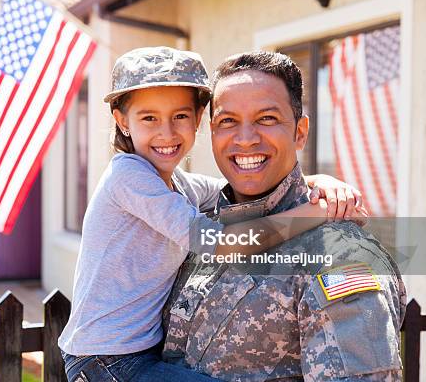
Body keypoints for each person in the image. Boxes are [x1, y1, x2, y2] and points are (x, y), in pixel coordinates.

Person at [58, 47, 367, 382]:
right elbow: (219, 243)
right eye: (149, 118)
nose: (167, 132)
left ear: (198, 118)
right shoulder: (127, 177)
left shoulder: (179, 185)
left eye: (180, 116)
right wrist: (313, 213)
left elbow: (249, 177)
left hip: (138, 352)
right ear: (122, 121)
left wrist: (317, 180)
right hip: (107, 359)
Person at [162, 51, 406, 381]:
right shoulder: (202, 225)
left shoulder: (339, 257)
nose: (245, 139)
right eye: (228, 121)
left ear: (300, 132)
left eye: (267, 119)